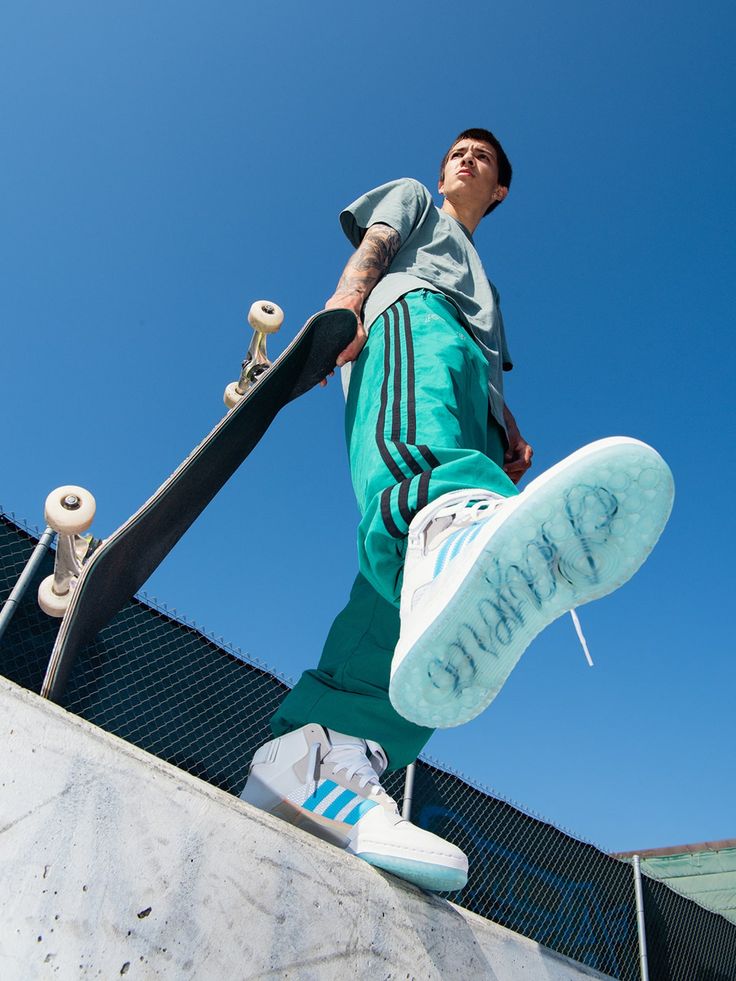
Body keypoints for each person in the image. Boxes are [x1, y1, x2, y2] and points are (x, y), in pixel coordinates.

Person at [240, 129, 673, 893]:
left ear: (501, 191)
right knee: (427, 481)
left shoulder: (493, 295)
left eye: (483, 160)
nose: (465, 161)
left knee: (419, 612)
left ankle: (322, 756)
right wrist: (345, 308)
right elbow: (375, 247)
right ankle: (444, 523)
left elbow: (484, 371)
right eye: (458, 154)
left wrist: (506, 431)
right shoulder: (414, 200)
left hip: (473, 385)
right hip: (409, 318)